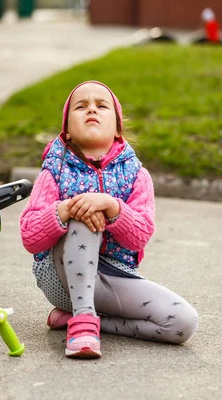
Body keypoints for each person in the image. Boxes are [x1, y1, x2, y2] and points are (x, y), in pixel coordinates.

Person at [19, 81, 198, 359]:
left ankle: (81, 321)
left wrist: (113, 206)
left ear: (117, 129)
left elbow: (140, 236)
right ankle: (82, 323)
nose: (92, 109)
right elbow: (30, 236)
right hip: (62, 277)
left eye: (102, 106)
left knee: (182, 322)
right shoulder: (53, 171)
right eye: (81, 106)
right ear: (66, 130)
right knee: (83, 215)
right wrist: (66, 209)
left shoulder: (136, 175)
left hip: (112, 277)